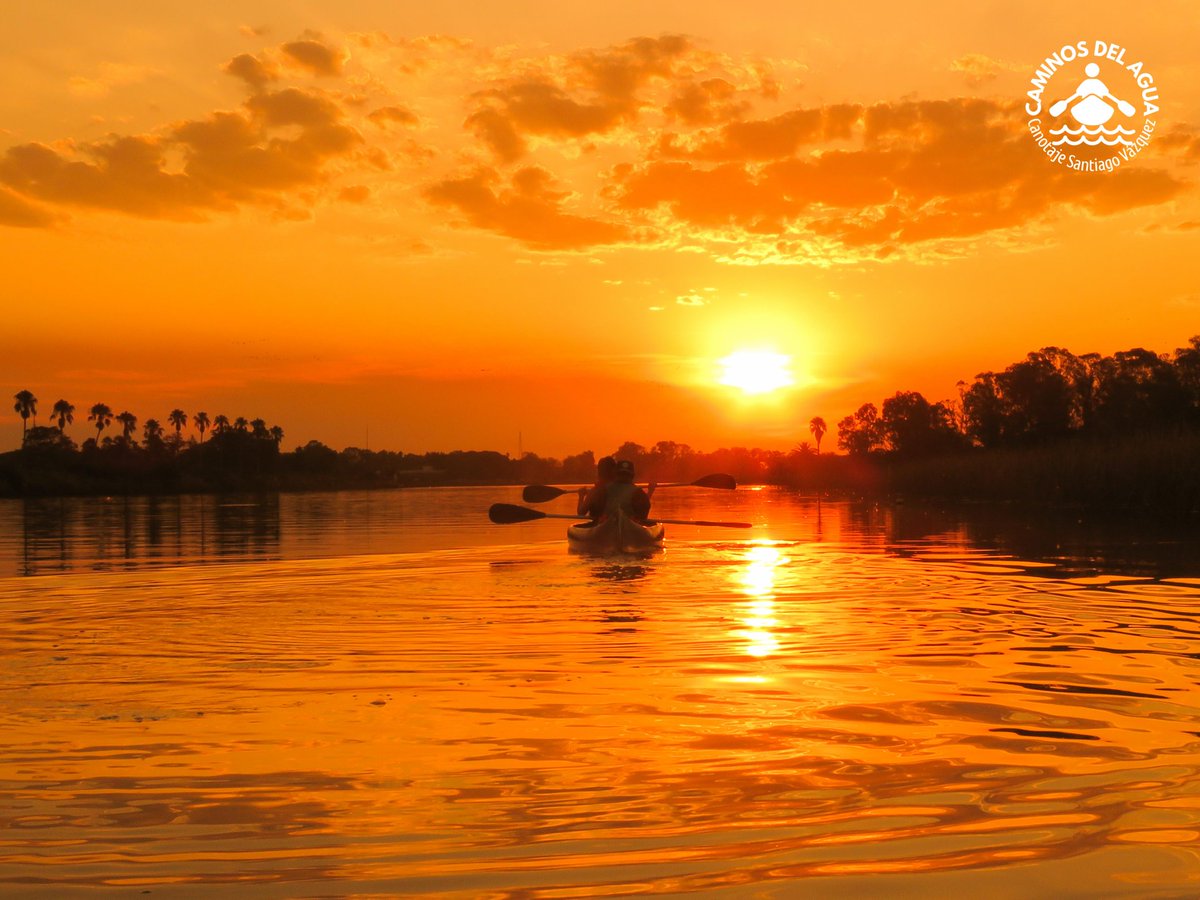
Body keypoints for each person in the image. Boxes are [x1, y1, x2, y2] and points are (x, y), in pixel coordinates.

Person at [582, 459, 653, 522]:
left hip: (609, 525)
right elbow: (644, 513)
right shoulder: (639, 492)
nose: (624, 477)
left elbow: (643, 512)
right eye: (621, 474)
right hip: (608, 524)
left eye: (626, 474)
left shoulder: (602, 490)